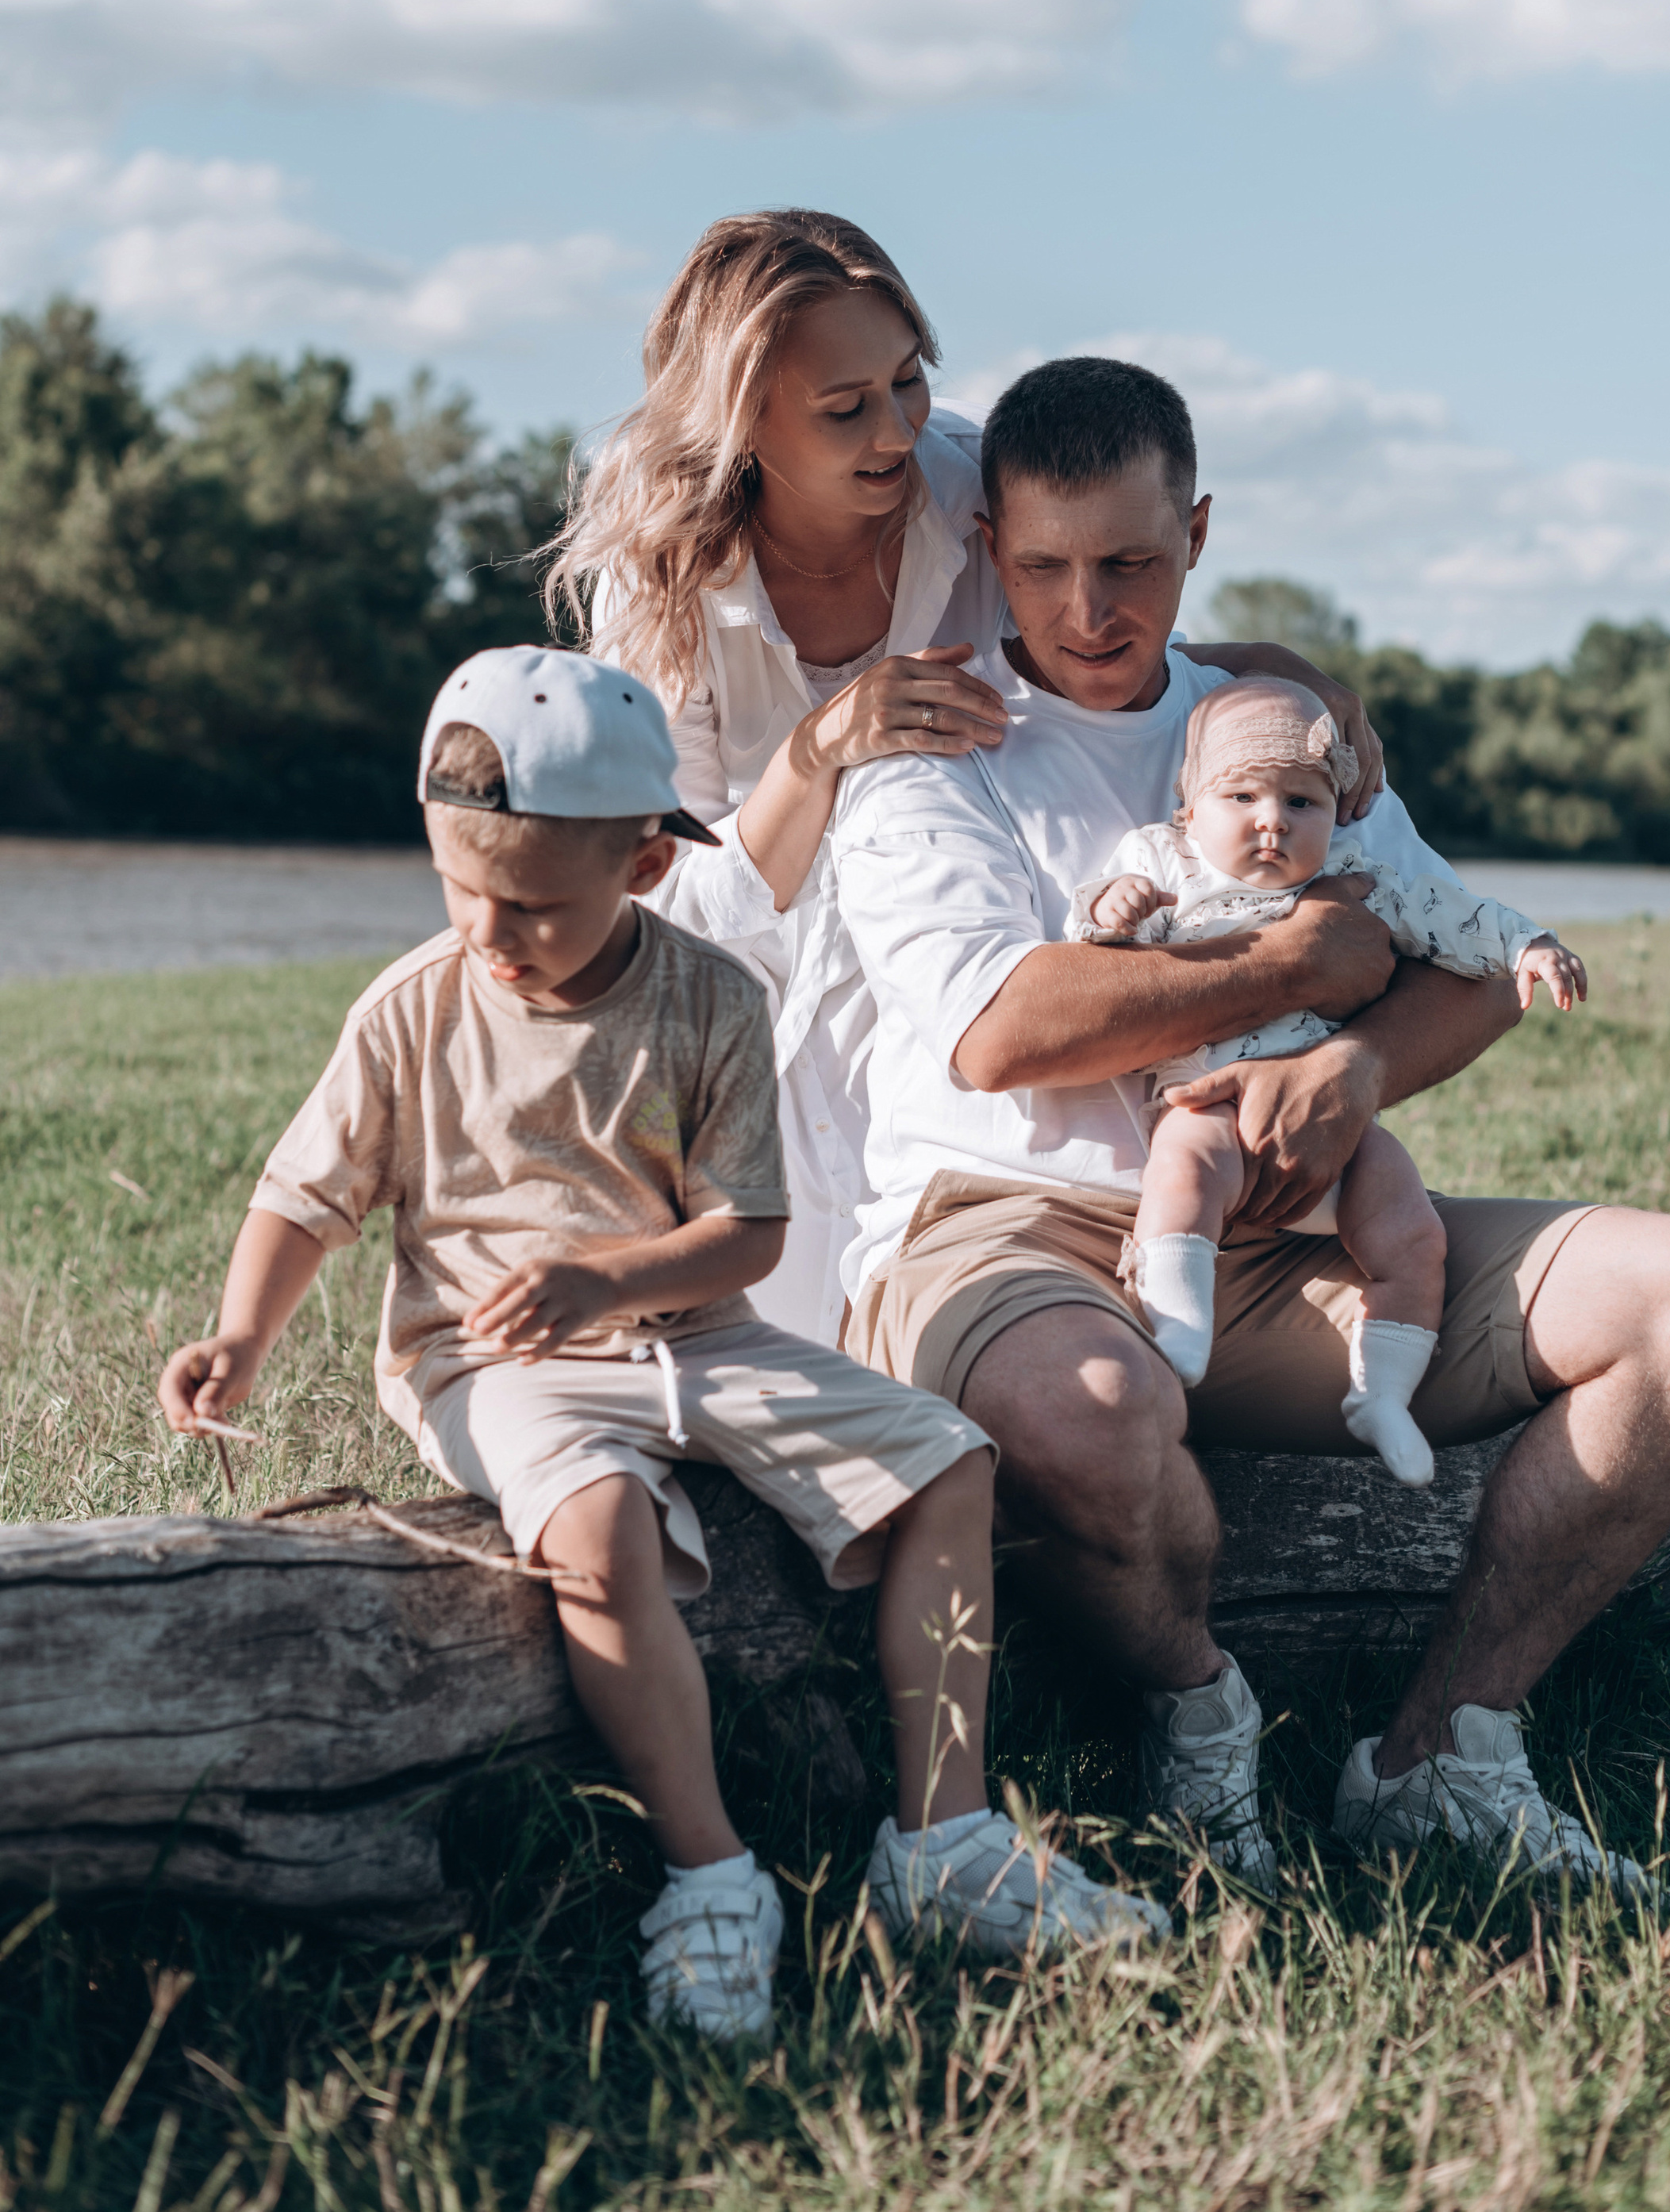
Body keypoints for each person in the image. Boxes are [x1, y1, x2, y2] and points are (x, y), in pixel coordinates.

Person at [829, 355, 1670, 1899]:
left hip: (1292, 1225)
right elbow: (1002, 1032)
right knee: (1087, 1407)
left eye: (1127, 562)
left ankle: (1436, 1755)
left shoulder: (1278, 732)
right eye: (1046, 565)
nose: (1087, 609)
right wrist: (1291, 966)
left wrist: (1360, 1070)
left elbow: (1453, 960)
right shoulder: (932, 745)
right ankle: (1200, 1708)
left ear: (1195, 534)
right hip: (1007, 1228)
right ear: (990, 542)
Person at [157, 645, 1166, 2045]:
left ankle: (945, 1835)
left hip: (699, 1324)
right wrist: (238, 1333)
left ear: (642, 865)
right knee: (596, 1523)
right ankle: (709, 1872)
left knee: (948, 1460)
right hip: (491, 1355)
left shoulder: (710, 999)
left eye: (528, 903)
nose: (487, 930)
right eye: (460, 887)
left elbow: (747, 1233)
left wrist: (614, 1276)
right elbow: (303, 1194)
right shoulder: (413, 1006)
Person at [547, 208, 1385, 1344]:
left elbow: (1096, 649)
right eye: (845, 409)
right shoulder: (662, 583)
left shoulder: (960, 487)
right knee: (732, 1341)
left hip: (964, 953)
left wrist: (1271, 668)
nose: (897, 429)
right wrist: (819, 751)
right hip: (739, 990)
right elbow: (658, 901)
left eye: (908, 380)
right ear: (741, 425)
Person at [1074, 674, 1586, 1484]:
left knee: (1413, 1232)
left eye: (1301, 803)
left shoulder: (1355, 877)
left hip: (1332, 1125)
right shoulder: (1163, 865)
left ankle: (1379, 1392)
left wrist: (1528, 945)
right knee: (1182, 1162)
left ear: (1335, 813)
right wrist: (1112, 908)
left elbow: (1451, 915)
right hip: (1212, 1098)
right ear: (1188, 809)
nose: (1270, 820)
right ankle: (1175, 1321)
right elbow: (1096, 955)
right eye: (1240, 796)